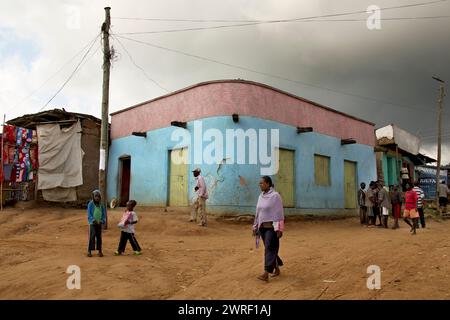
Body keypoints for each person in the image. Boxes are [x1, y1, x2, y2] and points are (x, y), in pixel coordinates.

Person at [253, 176, 285, 282]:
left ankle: (266, 272)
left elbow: (279, 213)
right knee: (270, 247)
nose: (260, 185)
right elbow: (258, 212)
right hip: (262, 227)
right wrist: (255, 226)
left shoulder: (275, 196)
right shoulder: (260, 196)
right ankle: (277, 268)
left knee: (269, 248)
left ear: (268, 184)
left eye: (261, 183)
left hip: (272, 228)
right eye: (259, 183)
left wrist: (280, 229)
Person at [87, 190, 106, 257]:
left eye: (98, 196)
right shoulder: (90, 204)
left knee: (99, 237)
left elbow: (104, 214)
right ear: (93, 196)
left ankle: (100, 251)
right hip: (92, 223)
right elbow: (89, 214)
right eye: (96, 196)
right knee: (91, 237)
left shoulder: (101, 205)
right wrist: (93, 220)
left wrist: (102, 221)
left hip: (99, 223)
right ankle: (89, 251)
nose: (97, 198)